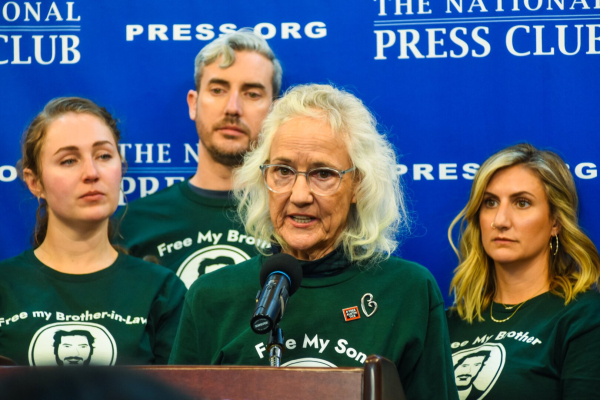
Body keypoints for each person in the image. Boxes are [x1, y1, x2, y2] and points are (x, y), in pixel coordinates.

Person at [169, 84, 458, 399]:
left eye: (323, 174)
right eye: (283, 171)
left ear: (358, 185)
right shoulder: (211, 297)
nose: (299, 195)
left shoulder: (408, 291)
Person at [0, 97, 186, 366]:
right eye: (68, 160)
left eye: (104, 156)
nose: (91, 172)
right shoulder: (5, 286)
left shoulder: (162, 290)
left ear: (120, 169)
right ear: (34, 182)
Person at [115, 29, 282, 289]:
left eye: (252, 94)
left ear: (274, 111)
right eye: (218, 90)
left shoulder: (295, 218)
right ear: (193, 104)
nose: (232, 108)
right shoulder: (135, 225)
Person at [446, 143, 600, 399]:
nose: (501, 221)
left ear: (555, 222)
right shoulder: (448, 324)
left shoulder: (584, 317)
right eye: (490, 202)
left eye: (522, 203)